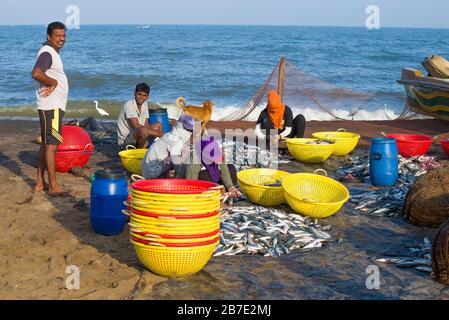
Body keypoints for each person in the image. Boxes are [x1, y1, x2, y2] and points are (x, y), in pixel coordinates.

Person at [32, 22, 70, 197]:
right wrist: (53, 82)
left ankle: (40, 182)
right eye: (57, 35)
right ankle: (53, 186)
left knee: (47, 145)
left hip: (50, 106)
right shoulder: (47, 52)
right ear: (49, 36)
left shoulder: (50, 52)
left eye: (63, 35)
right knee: (52, 146)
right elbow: (36, 73)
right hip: (52, 106)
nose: (61, 39)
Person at [141, 114, 194, 180]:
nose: (190, 133)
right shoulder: (175, 139)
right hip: (152, 172)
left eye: (191, 130)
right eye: (189, 130)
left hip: (148, 168)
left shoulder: (173, 134)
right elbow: (176, 162)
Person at [117, 83, 164, 149]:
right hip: (125, 141)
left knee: (158, 125)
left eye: (144, 95)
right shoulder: (129, 105)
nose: (141, 97)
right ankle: (139, 151)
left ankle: (145, 147)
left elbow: (146, 124)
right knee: (143, 130)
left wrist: (155, 132)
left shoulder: (145, 104)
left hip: (138, 135)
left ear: (147, 97)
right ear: (135, 93)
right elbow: (137, 126)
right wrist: (159, 134)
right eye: (139, 94)